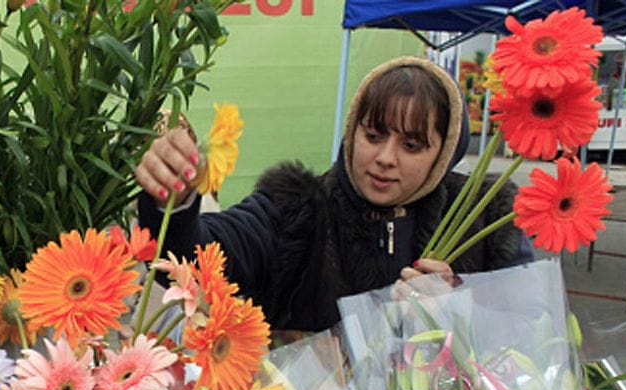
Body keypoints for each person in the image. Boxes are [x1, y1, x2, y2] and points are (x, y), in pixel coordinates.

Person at [134, 56, 533, 334]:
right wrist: (174, 202)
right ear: (351, 131)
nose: (384, 158)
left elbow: (527, 330)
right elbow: (200, 252)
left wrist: (458, 307)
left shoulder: (482, 219)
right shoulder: (297, 208)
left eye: (412, 146)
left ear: (443, 152)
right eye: (373, 136)